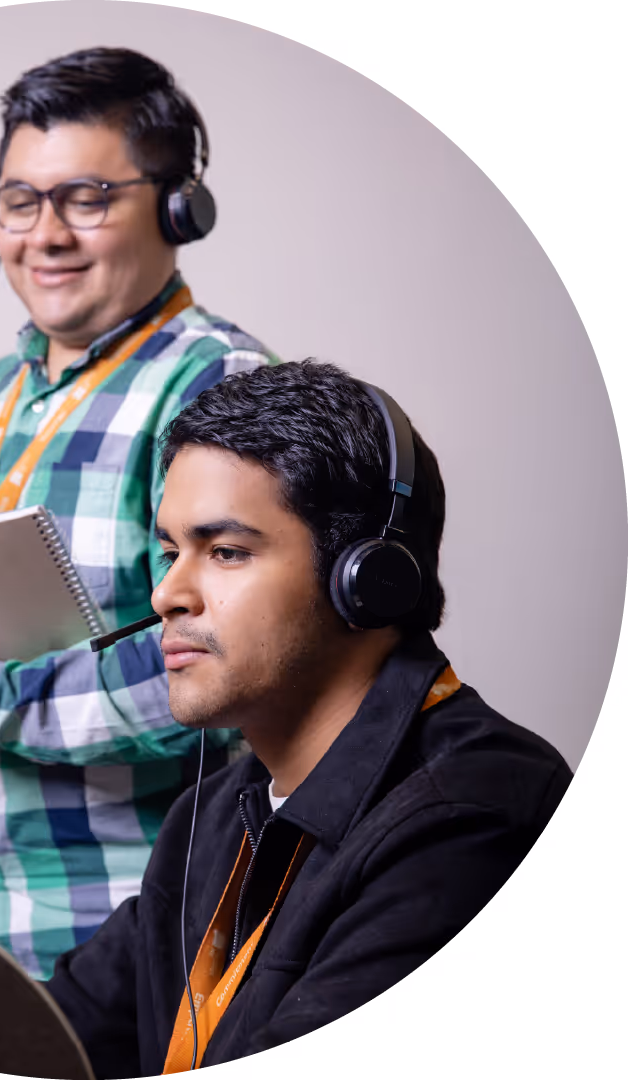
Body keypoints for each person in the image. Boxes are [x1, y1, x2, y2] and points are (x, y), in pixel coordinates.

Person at [0, 47, 278, 979]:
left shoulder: (223, 388)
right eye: (18, 201)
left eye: (85, 198)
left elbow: (223, 669)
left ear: (178, 208)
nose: (44, 235)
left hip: (136, 929)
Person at [45, 360, 572, 1075]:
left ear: (368, 578)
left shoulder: (471, 817)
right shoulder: (210, 818)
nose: (167, 594)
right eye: (170, 552)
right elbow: (44, 1030)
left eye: (226, 552)